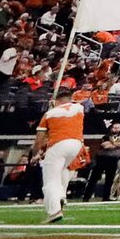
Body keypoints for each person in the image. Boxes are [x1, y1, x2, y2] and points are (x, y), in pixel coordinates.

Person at [35, 89, 87, 225]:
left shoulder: (50, 113)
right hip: (76, 144)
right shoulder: (79, 108)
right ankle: (61, 195)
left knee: (50, 180)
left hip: (58, 144)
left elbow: (39, 137)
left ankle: (54, 211)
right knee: (62, 169)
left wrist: (37, 152)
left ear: (56, 100)